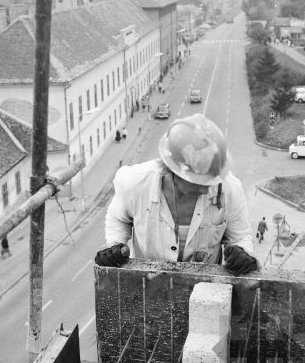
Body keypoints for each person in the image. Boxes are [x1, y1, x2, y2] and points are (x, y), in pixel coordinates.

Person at [95, 114, 259, 276]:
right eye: (197, 182)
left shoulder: (229, 189)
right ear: (169, 169)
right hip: (148, 286)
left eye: (210, 182)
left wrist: (242, 253)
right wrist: (115, 244)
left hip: (205, 292)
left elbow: (240, 236)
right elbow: (118, 218)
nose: (205, 189)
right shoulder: (135, 184)